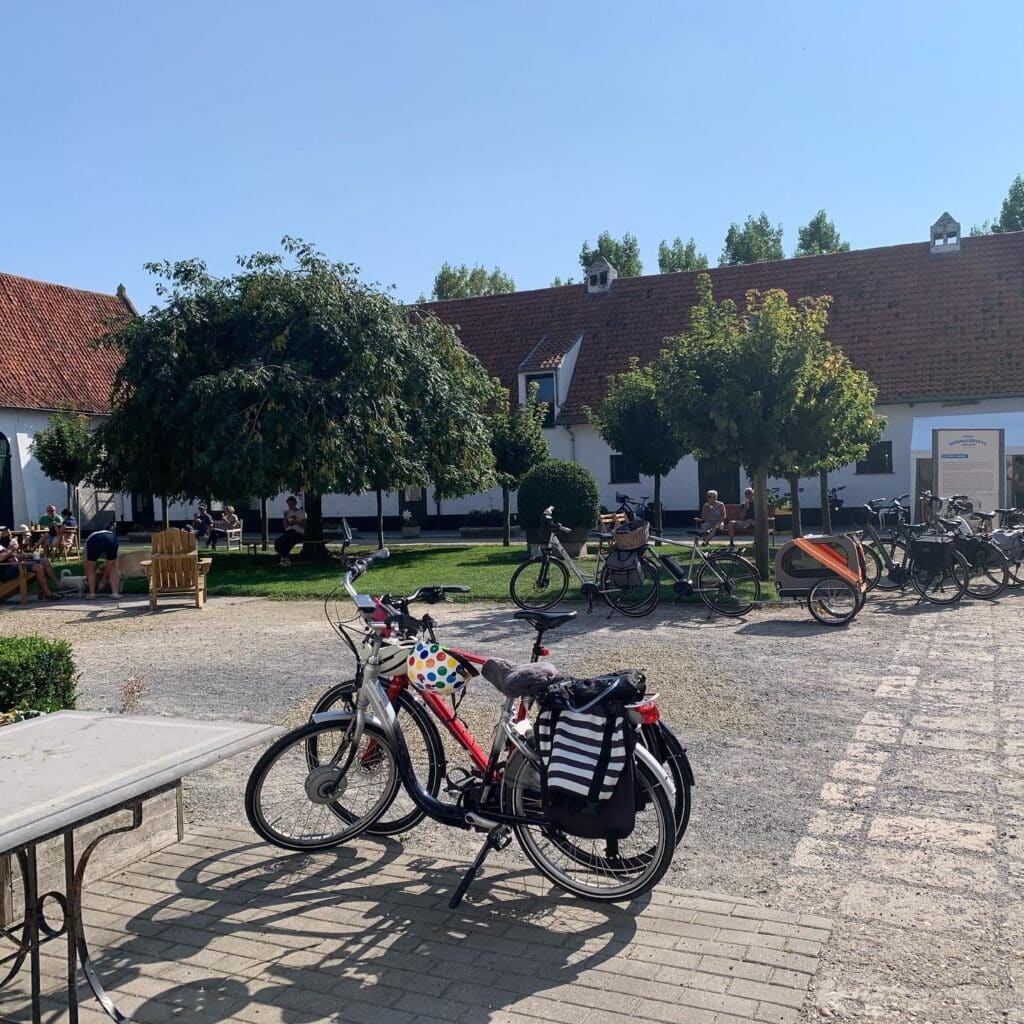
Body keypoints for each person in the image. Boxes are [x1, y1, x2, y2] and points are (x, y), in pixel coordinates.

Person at [0, 535, 58, 600]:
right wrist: (10, 550)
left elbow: (11, 555)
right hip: (5, 571)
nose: (0, 533)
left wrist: (27, 555)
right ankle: (48, 594)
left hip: (14, 565)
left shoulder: (1, 544)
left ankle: (59, 585)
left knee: (44, 561)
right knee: (38, 567)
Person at [84, 529, 120, 599]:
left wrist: (86, 577)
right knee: (113, 566)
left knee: (90, 569)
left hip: (94, 540)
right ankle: (115, 593)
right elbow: (109, 564)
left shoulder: (87, 542)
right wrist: (103, 579)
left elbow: (86, 567)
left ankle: (91, 594)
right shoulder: (111, 534)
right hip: (111, 539)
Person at [274, 496, 306, 566]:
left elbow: (304, 526)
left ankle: (284, 559)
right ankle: (286, 559)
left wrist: (296, 522)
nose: (290, 506)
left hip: (299, 534)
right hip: (288, 533)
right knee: (278, 542)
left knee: (290, 535)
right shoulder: (288, 513)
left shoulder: (301, 512)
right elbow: (285, 526)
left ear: (295, 504)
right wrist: (285, 517)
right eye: (288, 504)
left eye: (291, 504)